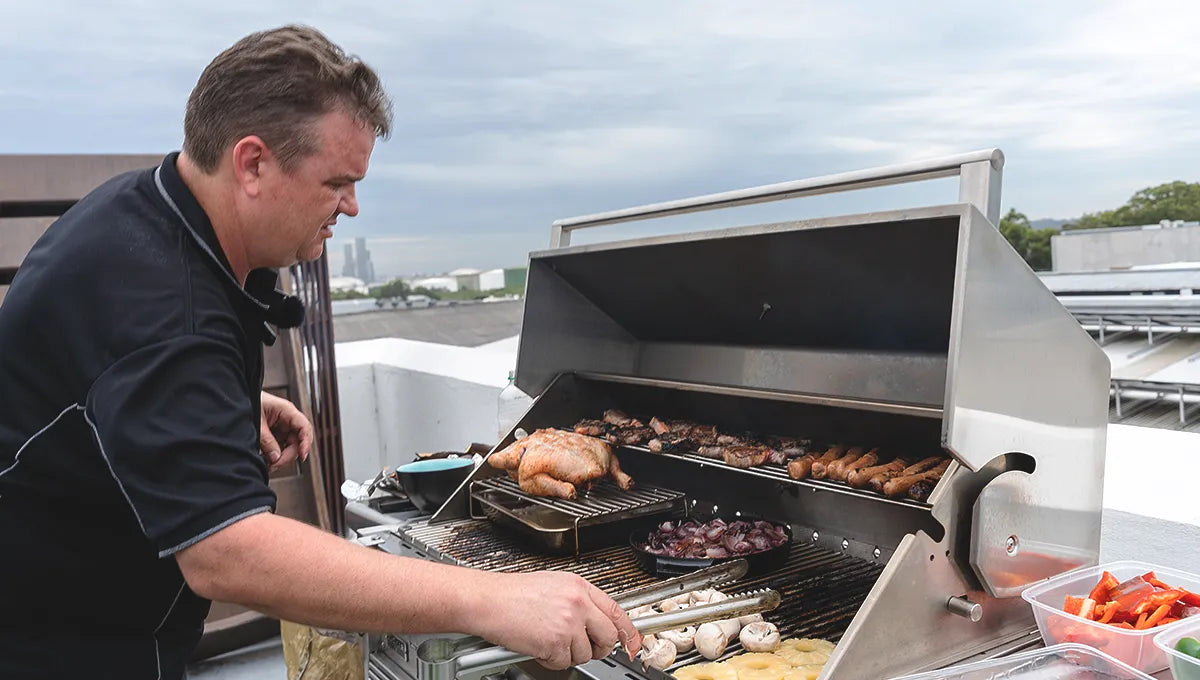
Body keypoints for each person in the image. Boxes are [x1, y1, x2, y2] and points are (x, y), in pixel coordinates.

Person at [0, 25, 640, 680]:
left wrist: (214, 408)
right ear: (252, 164)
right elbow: (228, 552)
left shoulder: (143, 216)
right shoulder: (167, 307)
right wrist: (491, 598)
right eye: (337, 182)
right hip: (59, 643)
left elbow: (103, 371)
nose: (353, 207)